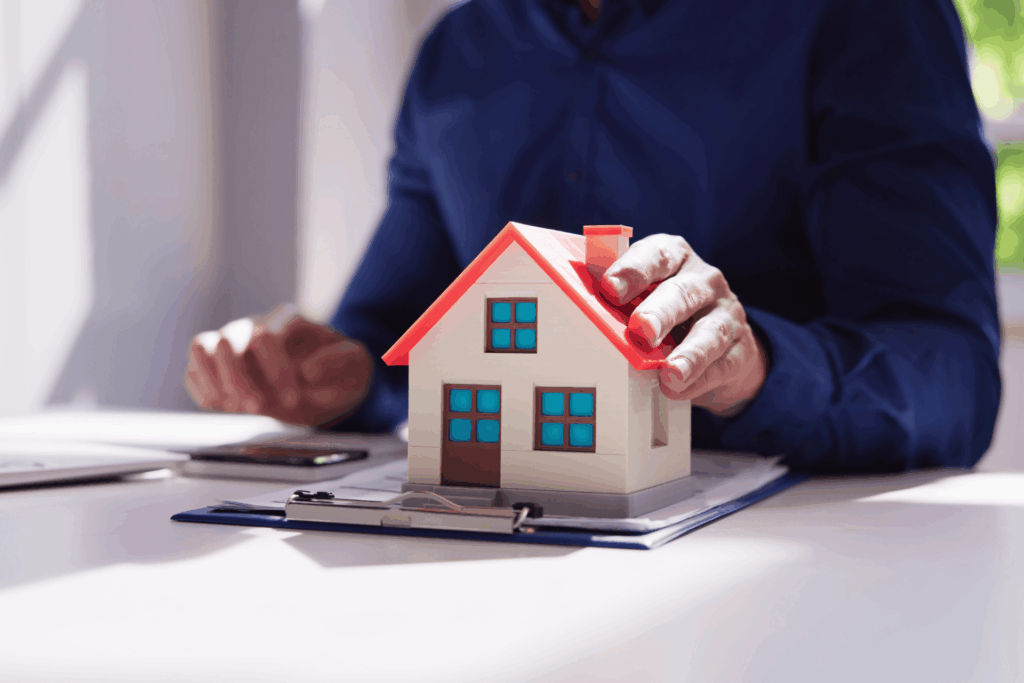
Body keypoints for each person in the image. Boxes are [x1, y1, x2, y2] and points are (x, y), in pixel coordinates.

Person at [186, 0, 1001, 472]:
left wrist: (757, 368)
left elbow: (954, 378)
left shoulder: (866, 19)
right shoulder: (458, 54)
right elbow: (396, 337)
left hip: (782, 582)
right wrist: (340, 378)